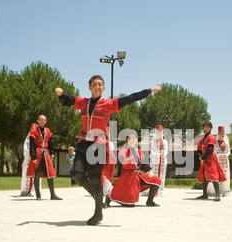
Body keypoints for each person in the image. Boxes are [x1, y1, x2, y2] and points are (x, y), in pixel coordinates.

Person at [55, 75, 161, 225]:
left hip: (98, 145)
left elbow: (130, 98)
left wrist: (149, 91)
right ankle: (97, 197)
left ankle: (98, 214)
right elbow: (69, 100)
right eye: (94, 84)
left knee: (95, 179)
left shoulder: (108, 104)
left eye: (100, 85)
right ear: (90, 87)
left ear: (104, 88)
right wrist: (61, 94)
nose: (97, 87)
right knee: (77, 174)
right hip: (83, 143)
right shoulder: (83, 102)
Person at [109, 131, 161, 207]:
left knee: (157, 180)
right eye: (131, 138)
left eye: (134, 138)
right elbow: (122, 160)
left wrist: (150, 171)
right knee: (130, 204)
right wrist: (132, 164)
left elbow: (144, 162)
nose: (133, 140)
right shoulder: (123, 150)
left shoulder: (138, 151)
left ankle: (150, 201)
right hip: (129, 176)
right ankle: (109, 198)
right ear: (127, 139)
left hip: (139, 175)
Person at [26, 115, 62, 200]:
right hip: (38, 154)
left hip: (46, 154)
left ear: (46, 121)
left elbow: (50, 142)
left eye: (44, 120)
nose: (43, 121)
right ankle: (38, 196)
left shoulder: (47, 131)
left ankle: (53, 195)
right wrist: (33, 156)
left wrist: (52, 152)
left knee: (50, 174)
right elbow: (32, 145)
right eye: (41, 120)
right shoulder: (34, 131)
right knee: (37, 174)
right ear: (38, 121)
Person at [196, 121, 227, 201]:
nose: (205, 128)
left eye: (207, 127)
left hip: (210, 159)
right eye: (204, 127)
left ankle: (217, 195)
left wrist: (203, 157)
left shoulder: (211, 138)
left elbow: (210, 149)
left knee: (213, 175)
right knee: (204, 176)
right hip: (203, 159)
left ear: (210, 128)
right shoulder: (202, 140)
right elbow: (199, 150)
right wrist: (201, 157)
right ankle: (205, 194)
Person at [142, 124, 168, 197]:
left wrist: (163, 154)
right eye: (158, 132)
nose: (159, 133)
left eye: (160, 132)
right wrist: (159, 154)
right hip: (155, 161)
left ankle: (161, 190)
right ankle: (154, 190)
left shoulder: (165, 142)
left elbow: (166, 151)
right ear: (155, 133)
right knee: (155, 175)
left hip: (163, 161)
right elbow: (152, 151)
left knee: (162, 176)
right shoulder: (152, 142)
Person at [21, 123, 41, 196]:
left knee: (37, 174)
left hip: (36, 158)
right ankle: (25, 190)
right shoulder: (28, 139)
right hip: (29, 159)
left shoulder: (38, 137)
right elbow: (25, 148)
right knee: (26, 174)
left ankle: (34, 191)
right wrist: (29, 153)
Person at [102, 127, 116, 207]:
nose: (107, 133)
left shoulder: (111, 143)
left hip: (108, 163)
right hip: (101, 162)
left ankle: (107, 196)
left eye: (108, 132)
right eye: (105, 132)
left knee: (107, 180)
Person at [214, 126, 231, 197]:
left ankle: (225, 191)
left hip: (225, 160)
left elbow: (229, 151)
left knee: (225, 174)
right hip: (218, 160)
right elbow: (214, 152)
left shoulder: (226, 142)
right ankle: (218, 191)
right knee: (217, 174)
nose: (222, 135)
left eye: (223, 133)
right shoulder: (216, 143)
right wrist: (219, 155)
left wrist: (226, 155)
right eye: (221, 133)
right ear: (218, 134)